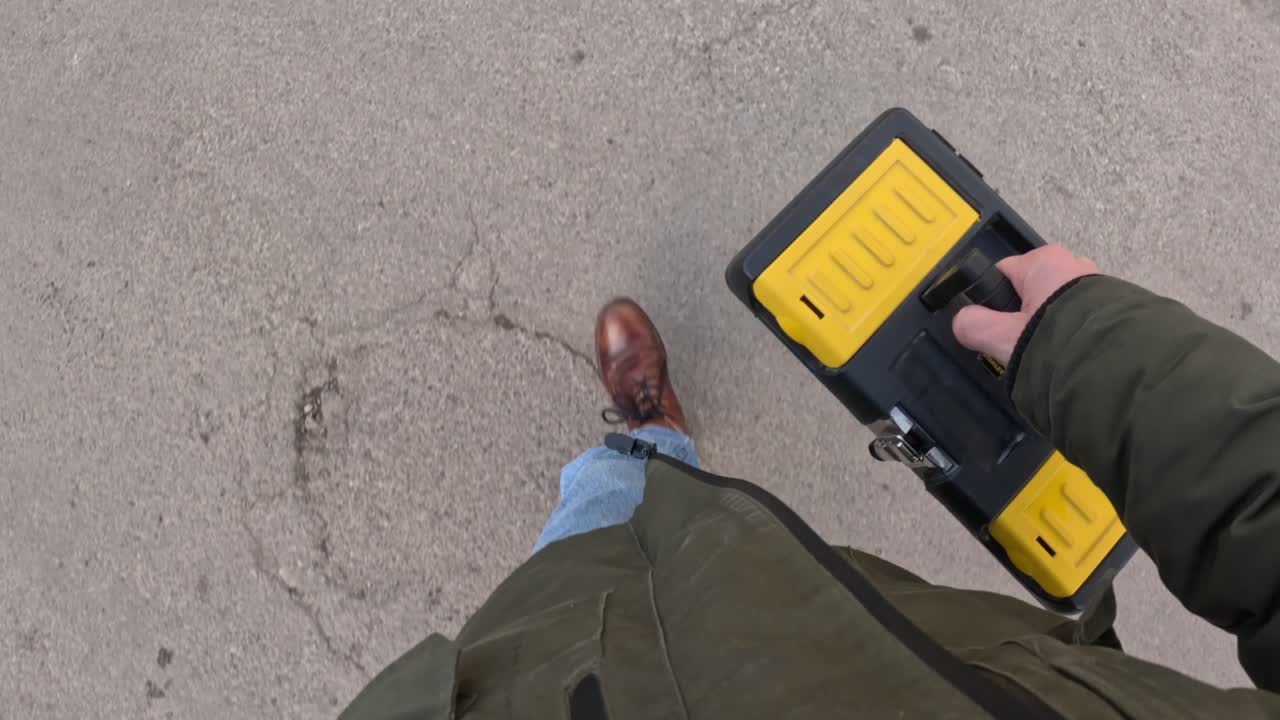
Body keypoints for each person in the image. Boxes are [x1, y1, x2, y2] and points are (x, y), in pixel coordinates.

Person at [340, 246, 1280, 718]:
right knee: (756, 567)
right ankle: (654, 452)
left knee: (598, 540)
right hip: (918, 668)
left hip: (558, 683)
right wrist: (1081, 346)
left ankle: (649, 449)